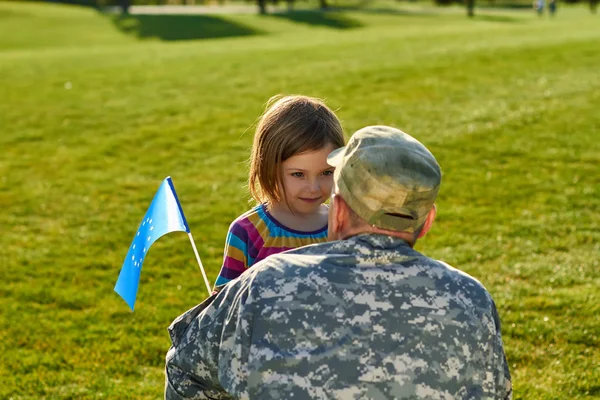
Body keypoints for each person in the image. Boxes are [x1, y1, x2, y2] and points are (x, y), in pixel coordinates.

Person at [165, 125, 513, 399]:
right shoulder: (471, 301)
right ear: (428, 220)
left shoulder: (263, 284)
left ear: (340, 209)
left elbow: (185, 368)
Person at [212, 94, 345, 292]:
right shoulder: (248, 232)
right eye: (298, 174)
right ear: (269, 167)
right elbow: (223, 304)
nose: (314, 187)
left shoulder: (342, 224)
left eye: (326, 172)